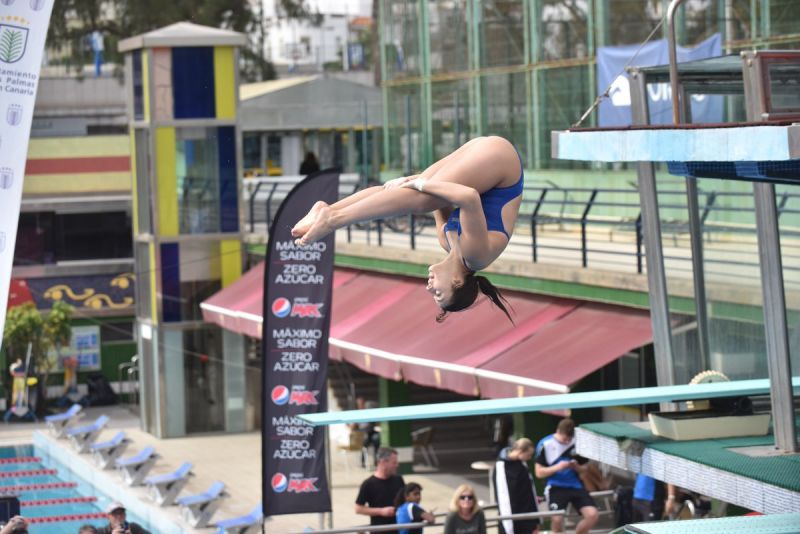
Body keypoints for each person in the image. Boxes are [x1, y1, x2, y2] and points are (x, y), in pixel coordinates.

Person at [292, 136, 523, 321]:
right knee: (421, 199)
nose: (429, 288)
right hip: (502, 162)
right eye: (438, 293)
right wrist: (418, 182)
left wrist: (412, 182)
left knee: (401, 194)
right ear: (457, 283)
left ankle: (328, 208)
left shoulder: (446, 240)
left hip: (482, 153)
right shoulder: (476, 256)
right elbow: (468, 197)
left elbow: (439, 196)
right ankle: (334, 219)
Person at [534, 419, 599, 534]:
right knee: (557, 519)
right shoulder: (546, 444)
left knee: (592, 514)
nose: (566, 442)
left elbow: (585, 468)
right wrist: (558, 467)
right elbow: (539, 473)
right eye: (564, 439)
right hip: (555, 486)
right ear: (558, 431)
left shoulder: (576, 443)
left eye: (569, 440)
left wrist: (576, 467)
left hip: (576, 486)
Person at [493, 437, 539, 534]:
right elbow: (503, 497)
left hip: (527, 517)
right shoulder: (501, 466)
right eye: (528, 455)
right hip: (513, 518)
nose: (530, 458)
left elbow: (528, 487)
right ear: (520, 451)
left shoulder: (522, 464)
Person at [355, 447, 406, 527]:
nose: (397, 465)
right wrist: (381, 511)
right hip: (379, 530)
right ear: (383, 462)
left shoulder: (398, 479)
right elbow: (358, 509)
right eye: (394, 463)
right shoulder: (368, 484)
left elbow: (406, 501)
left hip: (400, 528)